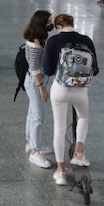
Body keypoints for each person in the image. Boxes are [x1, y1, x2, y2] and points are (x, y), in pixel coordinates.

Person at [42, 14, 97, 185]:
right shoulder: (86, 40)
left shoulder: (53, 41)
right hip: (80, 90)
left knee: (59, 127)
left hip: (60, 89)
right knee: (83, 117)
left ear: (59, 26)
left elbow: (48, 70)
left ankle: (61, 171)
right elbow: (95, 69)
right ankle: (79, 152)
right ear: (73, 24)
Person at [21, 9, 55, 169]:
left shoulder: (39, 38)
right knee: (38, 117)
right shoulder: (35, 43)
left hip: (36, 81)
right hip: (36, 82)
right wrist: (42, 88)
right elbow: (34, 68)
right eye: (49, 22)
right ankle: (35, 152)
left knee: (32, 112)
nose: (51, 25)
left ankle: (30, 142)